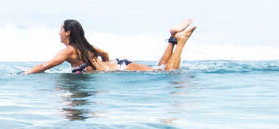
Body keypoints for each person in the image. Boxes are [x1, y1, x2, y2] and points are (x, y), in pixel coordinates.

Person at [24, 19, 196, 74]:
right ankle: (172, 38)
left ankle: (181, 41)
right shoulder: (85, 46)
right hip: (119, 65)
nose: (58, 32)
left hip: (122, 68)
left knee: (168, 72)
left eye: (61, 29)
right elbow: (105, 53)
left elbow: (44, 66)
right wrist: (105, 66)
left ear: (68, 32)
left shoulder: (69, 51)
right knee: (160, 69)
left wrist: (25, 73)